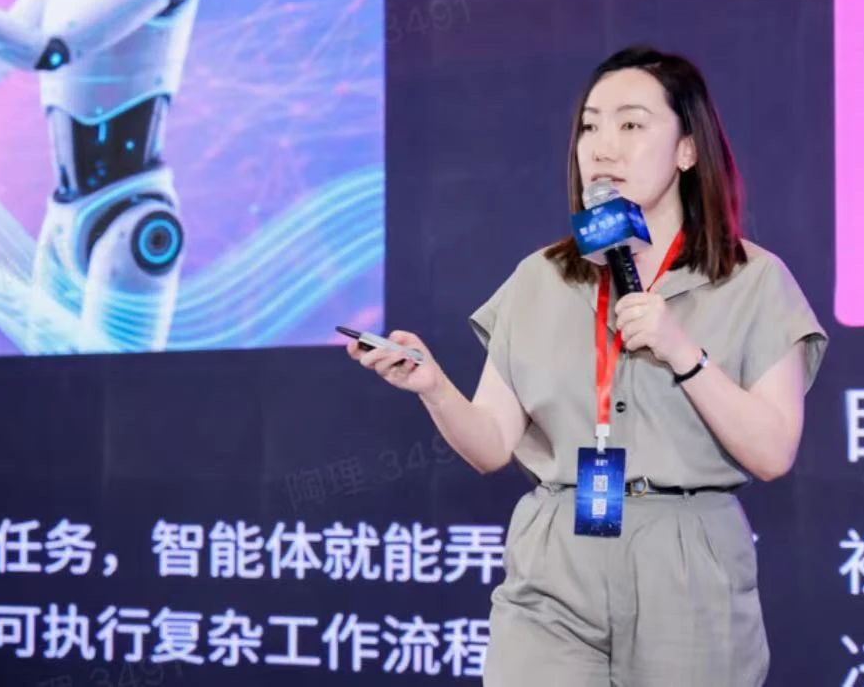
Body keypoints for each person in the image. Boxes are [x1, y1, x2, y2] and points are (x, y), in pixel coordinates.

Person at [347, 46, 828, 686]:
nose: (603, 147)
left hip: (688, 562)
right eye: (590, 126)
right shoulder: (541, 277)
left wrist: (683, 352)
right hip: (556, 558)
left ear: (688, 150)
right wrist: (433, 387)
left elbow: (773, 452)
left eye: (631, 125)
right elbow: (491, 445)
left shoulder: (755, 280)